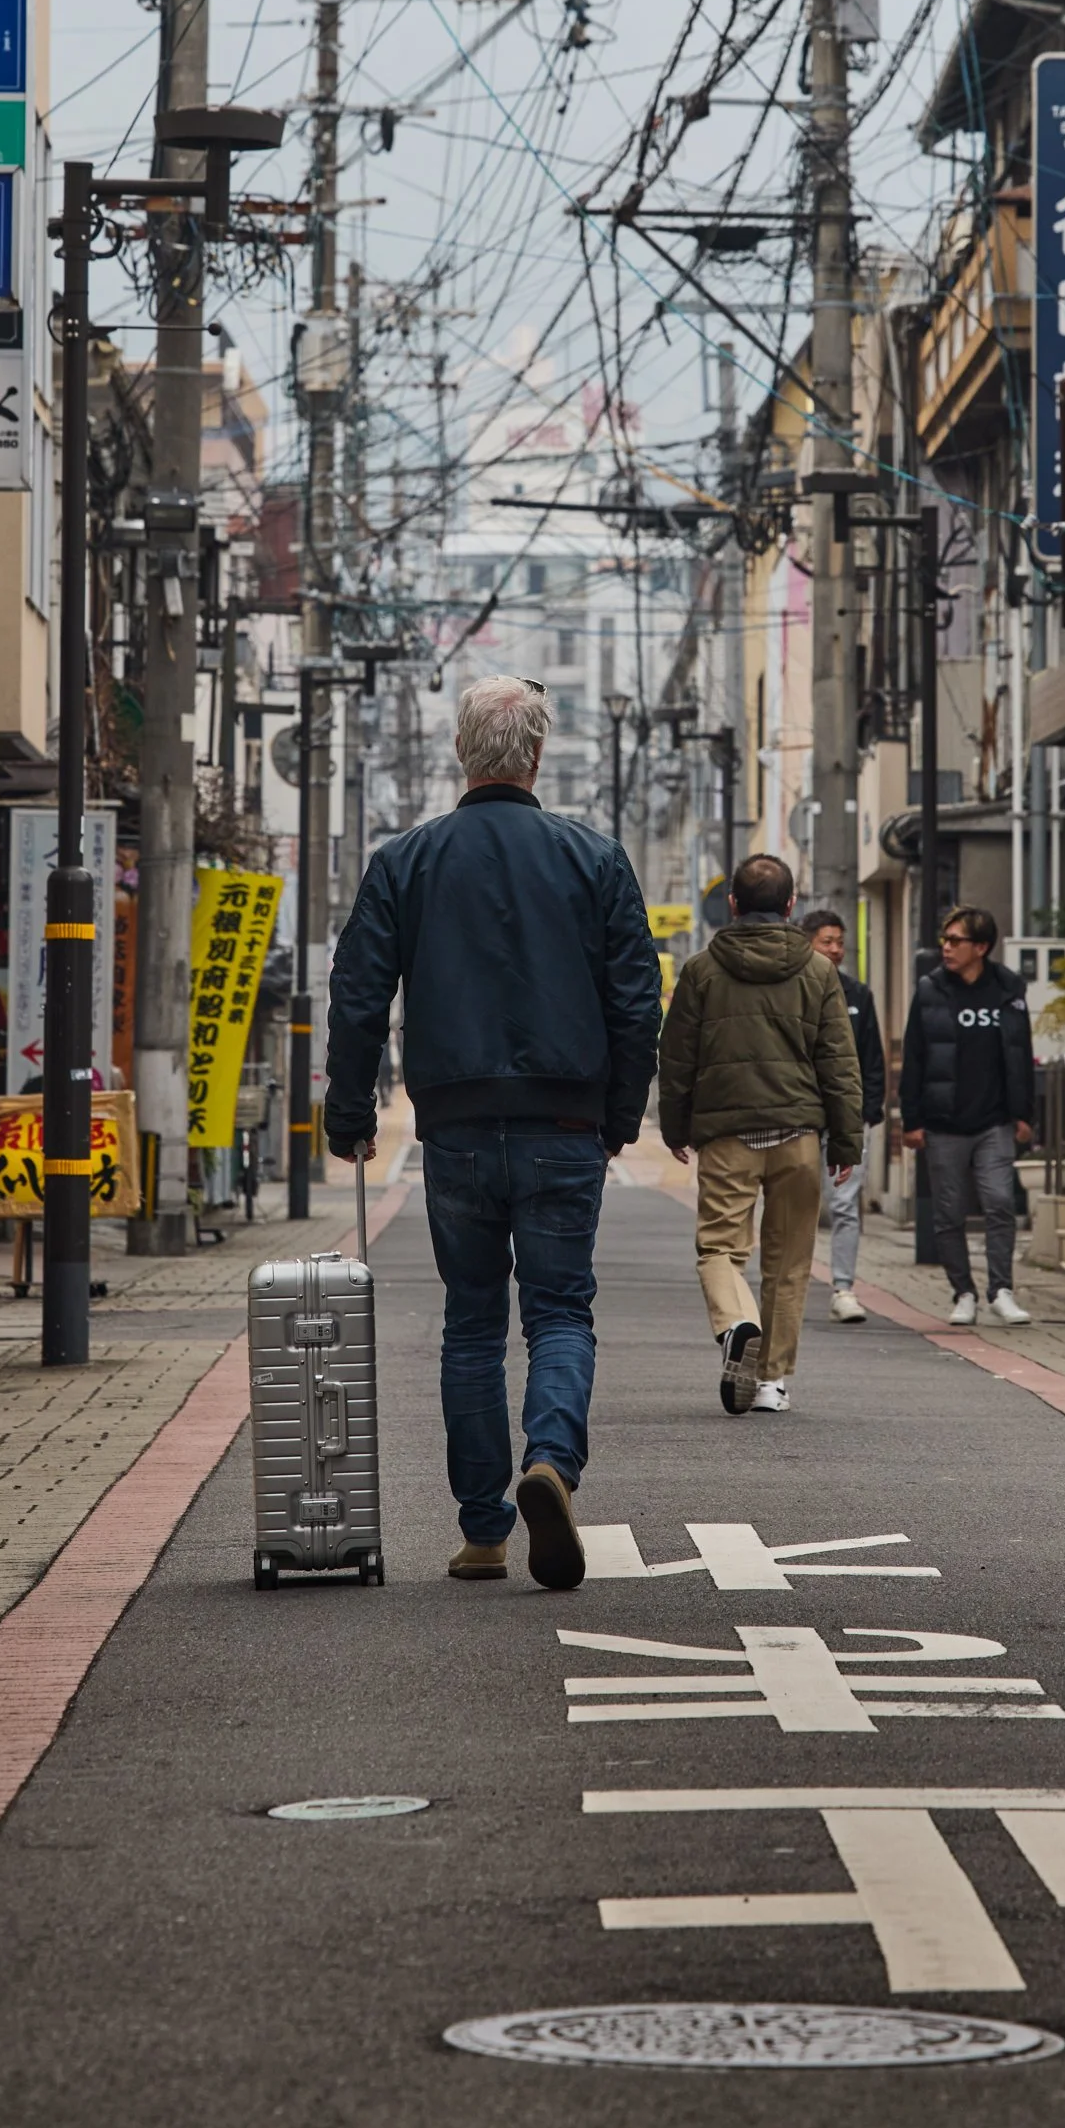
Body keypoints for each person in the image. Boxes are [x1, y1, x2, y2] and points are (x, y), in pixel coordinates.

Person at [325, 673, 660, 1591]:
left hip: (459, 1122)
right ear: (538, 754)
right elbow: (636, 1001)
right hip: (564, 1119)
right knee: (559, 1312)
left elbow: (358, 995)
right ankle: (549, 1459)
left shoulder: (407, 860)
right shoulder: (594, 859)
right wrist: (619, 1114)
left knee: (471, 1323)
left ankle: (483, 1531)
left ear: (459, 754)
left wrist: (349, 1111)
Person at [659, 854, 863, 1415]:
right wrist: (846, 1142)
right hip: (799, 1133)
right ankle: (771, 1380)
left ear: (732, 905)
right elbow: (839, 1063)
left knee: (721, 1247)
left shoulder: (701, 970)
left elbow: (676, 1056)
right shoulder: (819, 972)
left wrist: (674, 1126)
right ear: (791, 907)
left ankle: (736, 1321)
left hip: (728, 1135)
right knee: (789, 1259)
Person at [899, 904, 1037, 1330]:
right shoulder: (930, 990)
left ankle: (1001, 1291)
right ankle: (963, 1292)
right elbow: (915, 1058)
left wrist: (1023, 1113)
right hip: (943, 1123)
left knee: (999, 1202)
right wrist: (912, 1120)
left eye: (956, 940)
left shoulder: (1009, 989)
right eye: (945, 939)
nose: (946, 947)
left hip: (994, 1121)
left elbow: (1020, 1055)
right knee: (948, 1213)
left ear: (981, 947)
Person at [799, 907, 885, 1323]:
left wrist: (868, 1112)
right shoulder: (792, 990)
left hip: (847, 1116)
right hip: (799, 1115)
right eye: (826, 941)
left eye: (839, 942)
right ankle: (791, 1282)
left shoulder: (858, 995)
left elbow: (872, 1059)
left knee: (846, 1203)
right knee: (797, 1202)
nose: (835, 949)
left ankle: (844, 1286)